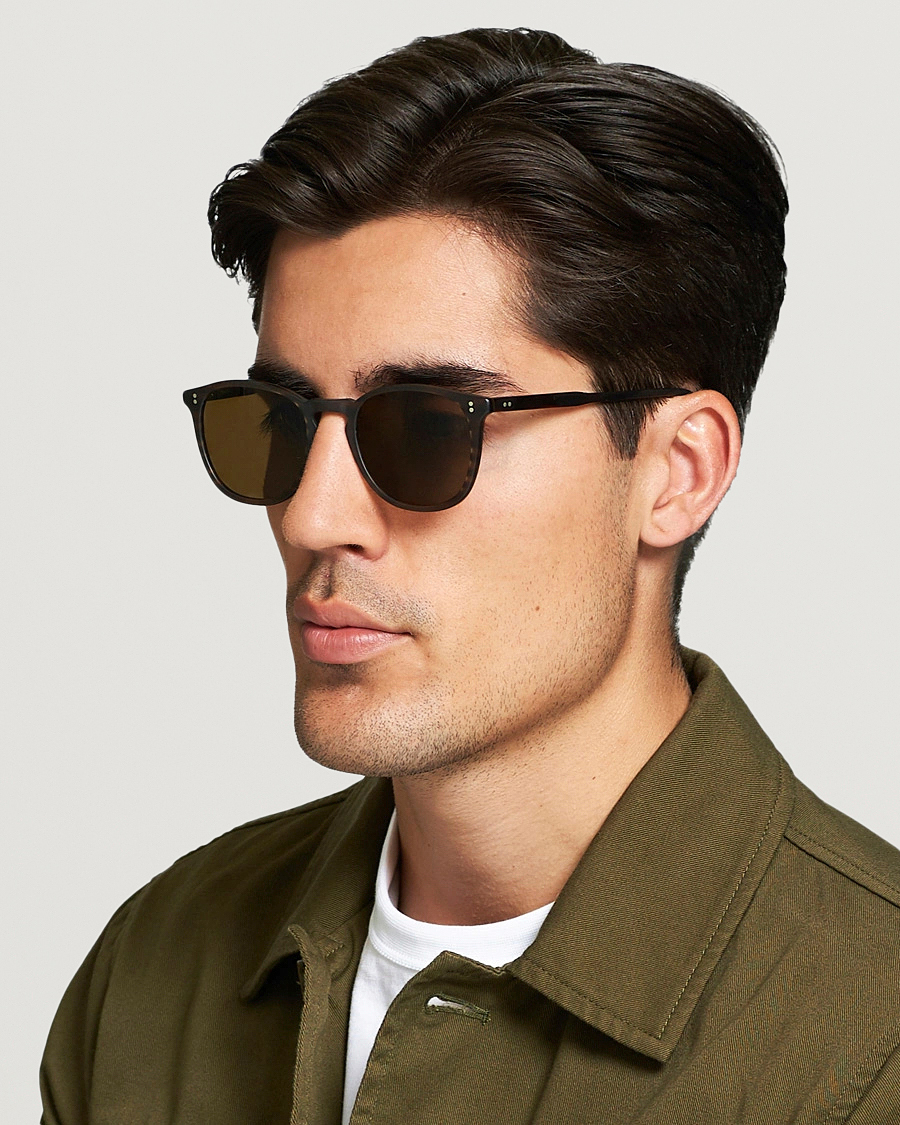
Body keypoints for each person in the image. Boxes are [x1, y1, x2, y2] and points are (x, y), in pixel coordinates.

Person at [40, 26, 900, 1125]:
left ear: (678, 471)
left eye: (429, 427)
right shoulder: (157, 968)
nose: (311, 515)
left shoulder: (870, 1042)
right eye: (283, 421)